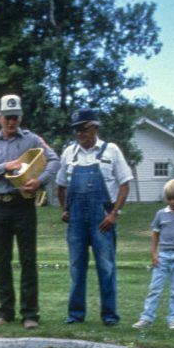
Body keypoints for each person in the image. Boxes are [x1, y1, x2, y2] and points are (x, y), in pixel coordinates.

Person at [0, 94, 59, 329]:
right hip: (0, 206)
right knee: (2, 260)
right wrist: (5, 166)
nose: (12, 122)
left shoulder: (33, 140)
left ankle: (30, 314)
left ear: (21, 117)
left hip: (23, 206)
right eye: (7, 118)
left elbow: (54, 161)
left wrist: (40, 181)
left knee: (28, 260)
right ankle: (5, 312)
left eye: (15, 117)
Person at [56, 108, 133, 326]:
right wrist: (64, 209)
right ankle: (75, 315)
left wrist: (114, 213)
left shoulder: (112, 151)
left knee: (106, 267)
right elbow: (60, 186)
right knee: (76, 268)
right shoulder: (69, 154)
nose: (80, 133)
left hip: (103, 219)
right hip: (77, 221)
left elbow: (125, 184)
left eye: (84, 128)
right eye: (76, 130)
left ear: (95, 127)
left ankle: (109, 316)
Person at [132, 178, 174, 330]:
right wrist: (154, 254)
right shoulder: (160, 214)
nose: (173, 202)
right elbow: (155, 234)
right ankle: (146, 318)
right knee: (154, 288)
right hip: (162, 256)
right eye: (169, 199)